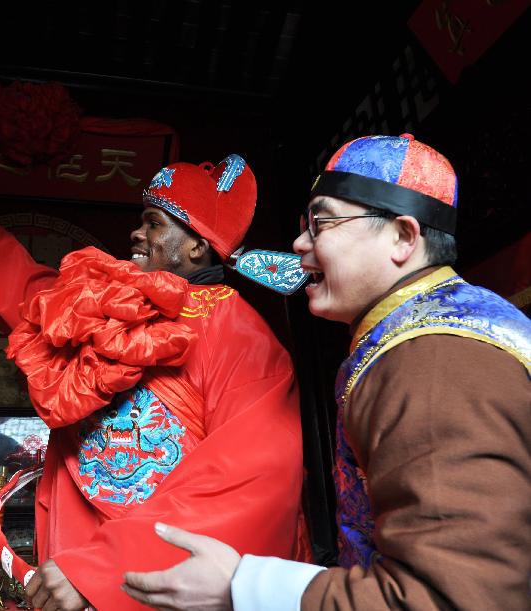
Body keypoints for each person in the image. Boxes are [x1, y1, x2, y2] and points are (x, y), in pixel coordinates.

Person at [123, 134, 531, 610]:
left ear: (403, 236)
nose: (299, 243)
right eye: (304, 224)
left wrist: (244, 585)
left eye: (322, 224)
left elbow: (451, 595)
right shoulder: (420, 336)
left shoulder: (436, 357)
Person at [0, 155, 311, 610]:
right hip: (77, 555)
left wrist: (102, 568)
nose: (137, 233)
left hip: (155, 572)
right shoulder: (103, 303)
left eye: (154, 223)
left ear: (196, 245)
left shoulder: (236, 329)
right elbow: (21, 282)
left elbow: (252, 472)